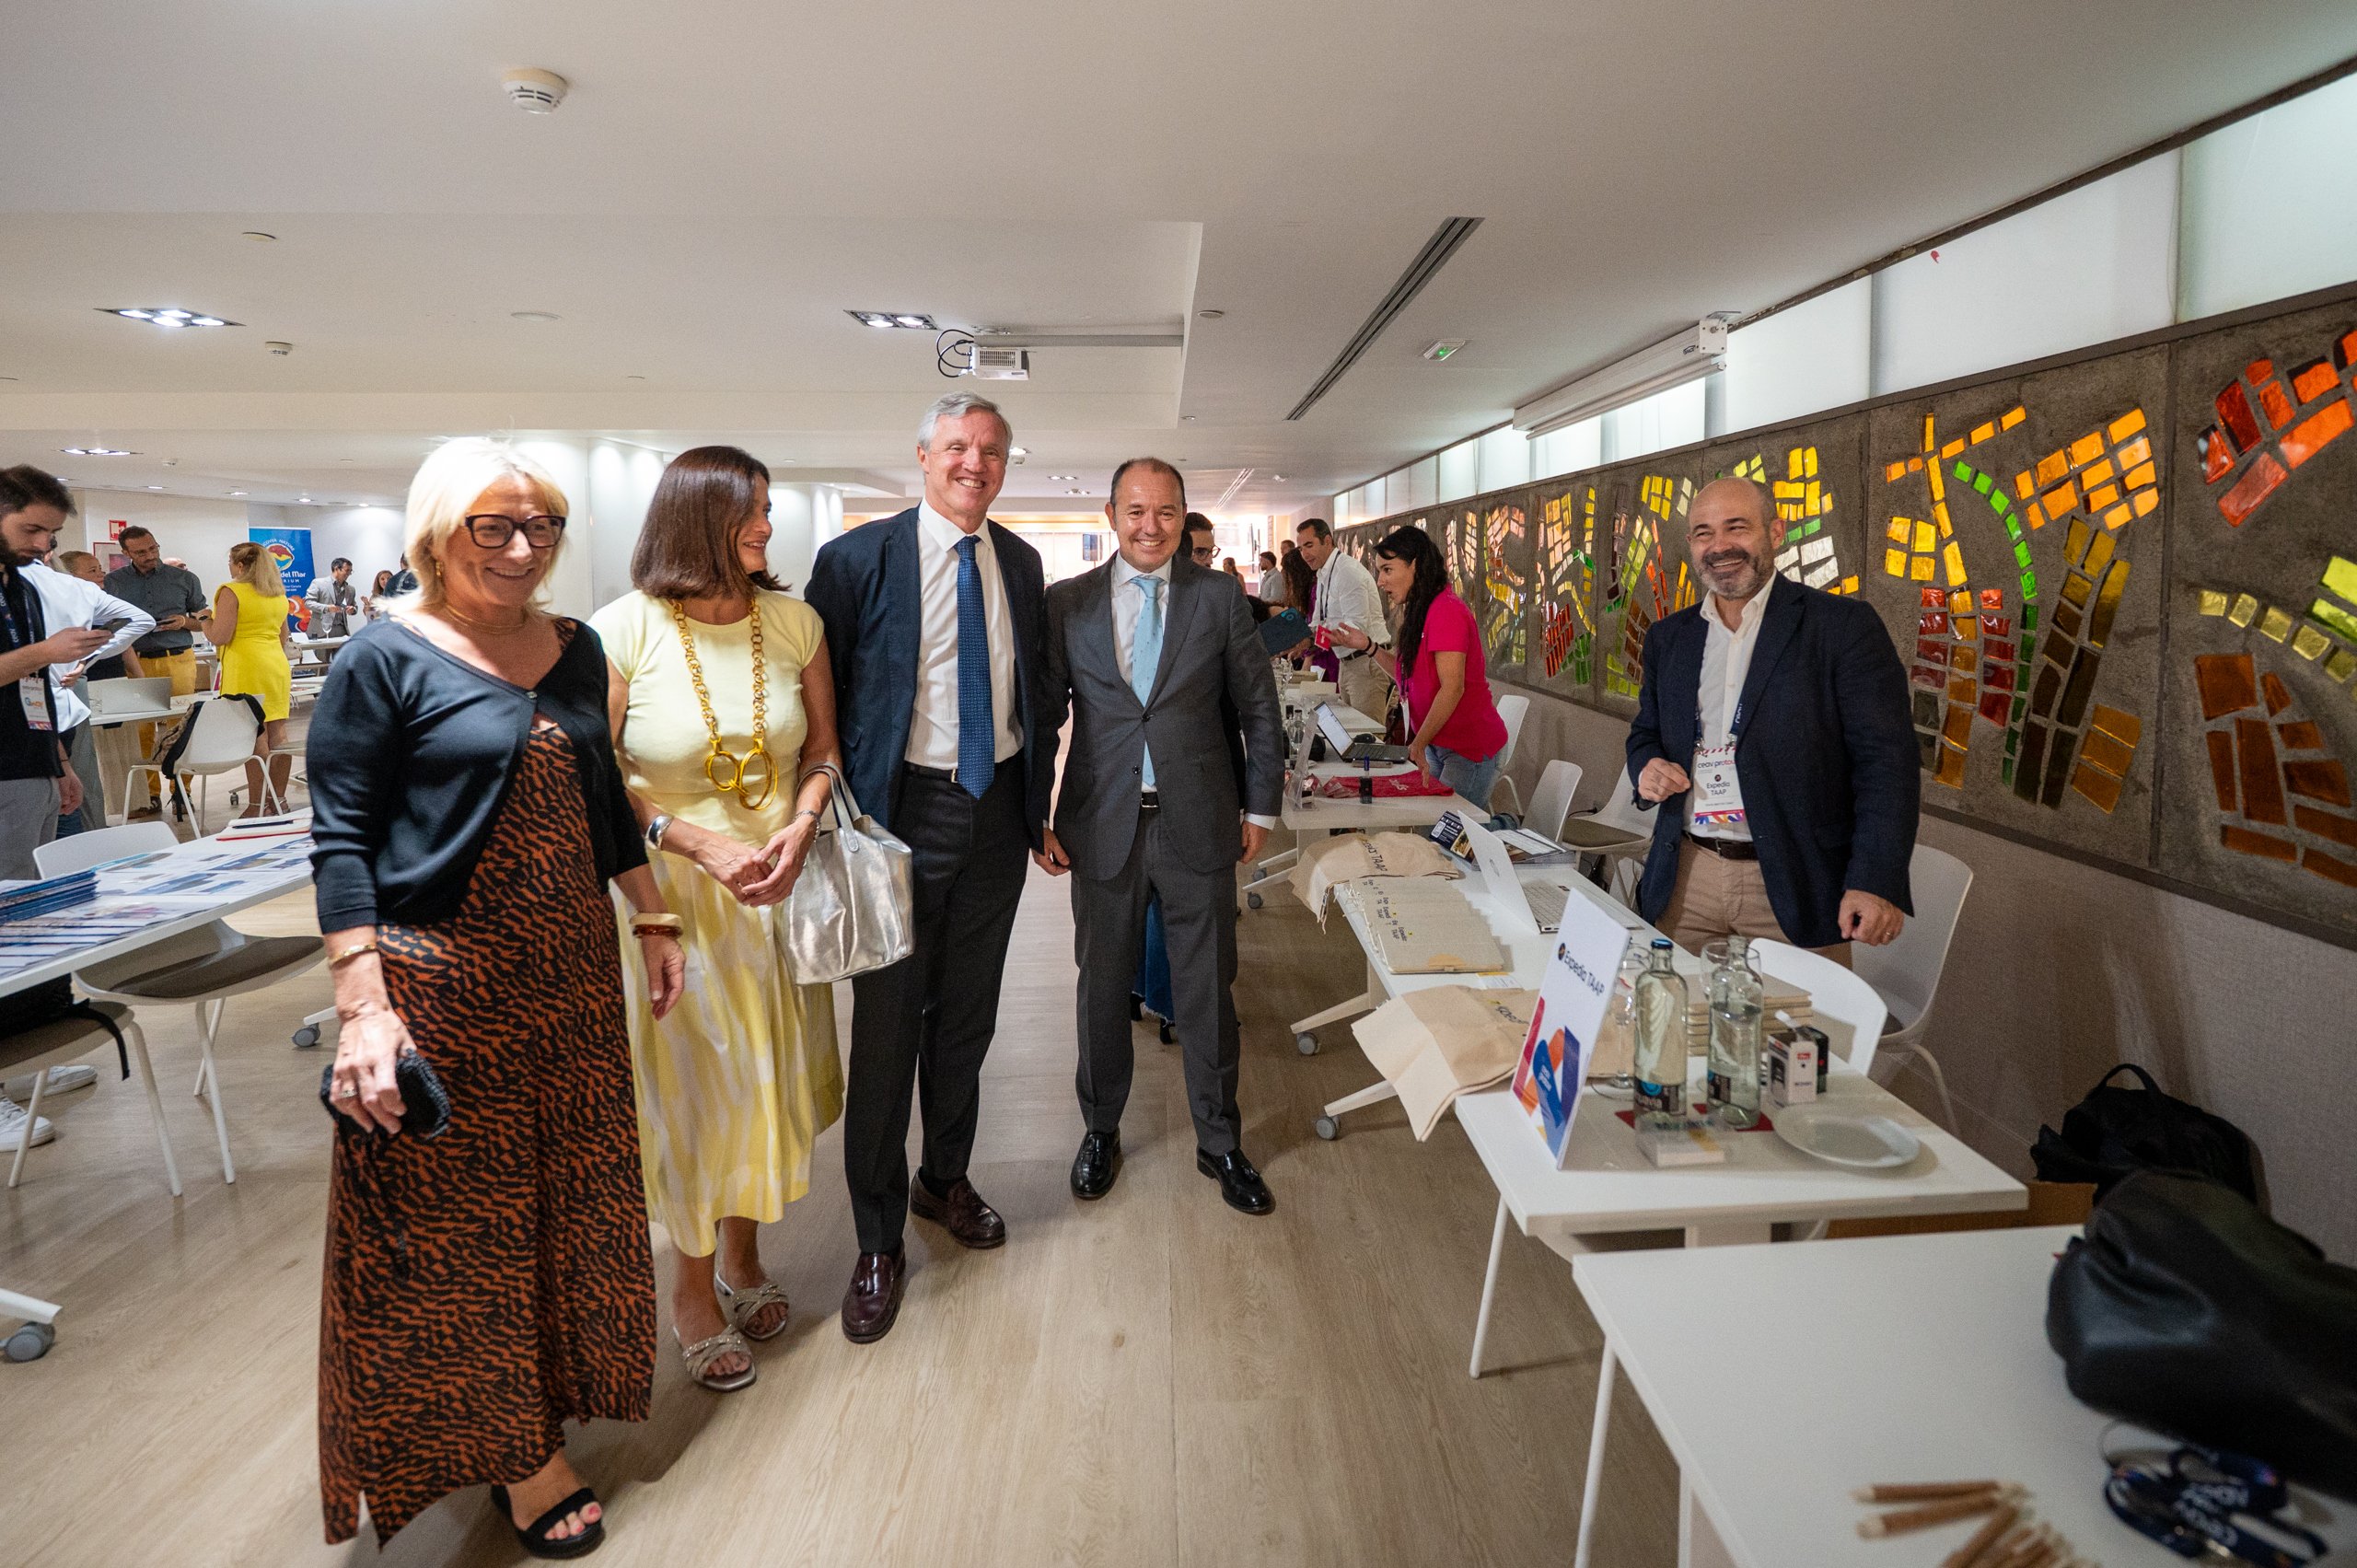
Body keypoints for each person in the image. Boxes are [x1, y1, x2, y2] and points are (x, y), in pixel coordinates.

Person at [308, 437, 684, 1554]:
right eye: (494, 526)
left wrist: (653, 915)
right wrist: (364, 1006)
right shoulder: (384, 658)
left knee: (568, 1207)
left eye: (544, 526)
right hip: (443, 982)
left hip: (569, 980)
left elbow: (604, 800)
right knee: (456, 1234)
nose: (523, 549)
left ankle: (538, 1399)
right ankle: (520, 1455)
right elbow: (340, 839)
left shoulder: (574, 648)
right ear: (434, 532)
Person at [592, 446, 845, 1392]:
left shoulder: (794, 622)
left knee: (763, 1089)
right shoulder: (623, 632)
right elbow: (595, 778)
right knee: (696, 1098)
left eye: (769, 510)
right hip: (672, 908)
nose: (768, 529)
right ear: (697, 516)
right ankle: (692, 1294)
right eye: (753, 511)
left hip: (774, 896)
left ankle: (741, 1260)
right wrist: (691, 840)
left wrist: (803, 821)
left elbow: (822, 750)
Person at [805, 391, 1046, 1343]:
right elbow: (818, 697)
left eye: (989, 449)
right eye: (957, 446)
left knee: (968, 1018)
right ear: (922, 455)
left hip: (996, 813)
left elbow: (1042, 687)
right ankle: (874, 1238)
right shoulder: (857, 558)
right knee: (889, 1027)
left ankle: (942, 1178)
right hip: (897, 816)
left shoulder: (1019, 563)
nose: (973, 462)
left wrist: (1040, 812)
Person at [1032, 459, 1285, 1215]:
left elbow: (1259, 711)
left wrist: (1260, 810)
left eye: (1167, 512)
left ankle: (1220, 1141)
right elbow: (1044, 713)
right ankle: (1100, 1128)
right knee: (1100, 987)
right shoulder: (1067, 602)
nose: (1151, 526)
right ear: (1111, 513)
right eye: (1136, 510)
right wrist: (1033, 815)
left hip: (1198, 822)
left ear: (1183, 516)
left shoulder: (1218, 599)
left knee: (1207, 987)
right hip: (1098, 825)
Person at [1625, 475, 1918, 965]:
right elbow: (1646, 732)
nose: (1719, 546)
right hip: (1686, 879)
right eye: (1703, 533)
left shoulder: (1841, 627)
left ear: (1776, 533)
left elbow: (1886, 764)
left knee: (1797, 1036)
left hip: (1793, 881)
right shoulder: (1669, 638)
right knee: (1676, 1028)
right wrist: (1647, 765)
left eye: (1736, 528)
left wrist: (1874, 878)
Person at [0, 470, 111, 1156]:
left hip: (30, 766)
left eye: (51, 534)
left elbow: (35, 685)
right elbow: (32, 663)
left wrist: (60, 762)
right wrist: (43, 652)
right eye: (30, 530)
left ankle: (25, 1054)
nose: (42, 545)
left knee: (32, 920)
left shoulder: (20, 585)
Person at [1327, 524, 1507, 807]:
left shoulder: (1446, 610)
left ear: (1416, 566)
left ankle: (1506, 830)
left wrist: (1418, 744)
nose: (1380, 582)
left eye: (1387, 570)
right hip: (1436, 743)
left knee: (1446, 833)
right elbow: (1405, 677)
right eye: (1378, 571)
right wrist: (1368, 646)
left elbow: (1452, 688)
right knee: (1430, 827)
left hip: (1466, 748)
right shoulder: (1419, 611)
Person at [24, 534, 154, 835]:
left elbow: (139, 621)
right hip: (64, 688)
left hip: (45, 690)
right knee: (75, 775)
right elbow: (141, 621)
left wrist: (85, 657)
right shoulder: (70, 587)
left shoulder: (53, 586)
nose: (100, 575)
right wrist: (86, 659)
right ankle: (83, 850)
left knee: (60, 778)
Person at [102, 524, 209, 816]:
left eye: (153, 548)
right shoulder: (114, 582)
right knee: (142, 730)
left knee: (182, 725)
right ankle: (148, 795)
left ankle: (181, 792)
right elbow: (107, 621)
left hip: (178, 657)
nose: (149, 555)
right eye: (140, 552)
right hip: (136, 659)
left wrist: (184, 622)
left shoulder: (184, 579)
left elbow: (204, 620)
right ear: (126, 553)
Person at [206, 541, 296, 818]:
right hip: (275, 664)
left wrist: (202, 621)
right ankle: (278, 800)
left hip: (246, 664)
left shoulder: (231, 591)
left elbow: (220, 636)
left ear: (240, 565)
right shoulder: (277, 594)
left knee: (255, 736)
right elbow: (283, 636)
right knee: (278, 734)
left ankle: (256, 805)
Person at [1295, 517, 1393, 720]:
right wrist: (1298, 640)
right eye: (1301, 549)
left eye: (1309, 545)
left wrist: (1314, 640)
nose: (1304, 554)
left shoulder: (1347, 571)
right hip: (1346, 662)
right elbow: (1317, 623)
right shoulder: (1324, 573)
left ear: (1328, 541)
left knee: (1367, 738)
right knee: (1348, 734)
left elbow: (1355, 630)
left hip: (1366, 662)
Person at [307, 555, 359, 643]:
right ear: (336, 569)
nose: (349, 574)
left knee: (343, 657)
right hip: (321, 631)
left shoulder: (351, 589)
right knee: (321, 657)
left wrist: (353, 610)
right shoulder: (318, 583)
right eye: (347, 570)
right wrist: (327, 608)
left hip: (342, 631)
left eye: (351, 571)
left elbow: (354, 606)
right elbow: (308, 603)